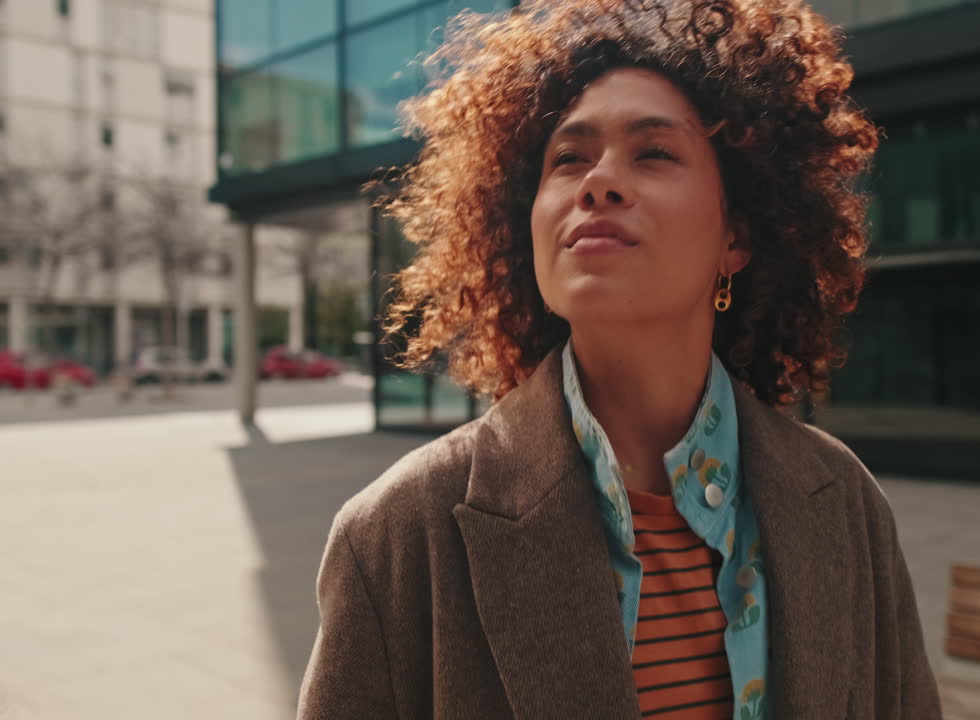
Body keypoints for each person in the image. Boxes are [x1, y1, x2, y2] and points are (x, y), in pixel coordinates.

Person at [297, 0, 941, 717]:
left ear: (736, 236)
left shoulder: (844, 503)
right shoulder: (397, 535)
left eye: (654, 152)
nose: (597, 182)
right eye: (568, 158)